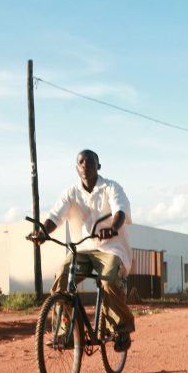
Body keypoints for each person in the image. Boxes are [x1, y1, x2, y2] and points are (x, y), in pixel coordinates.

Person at [28, 150, 134, 352]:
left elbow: (120, 211)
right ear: (76, 168)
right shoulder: (70, 193)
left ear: (98, 166)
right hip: (83, 249)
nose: (85, 164)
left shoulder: (111, 187)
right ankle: (67, 331)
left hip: (111, 248)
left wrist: (113, 227)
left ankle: (122, 329)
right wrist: (41, 232)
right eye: (81, 162)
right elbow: (55, 217)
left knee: (108, 280)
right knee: (62, 278)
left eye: (90, 161)